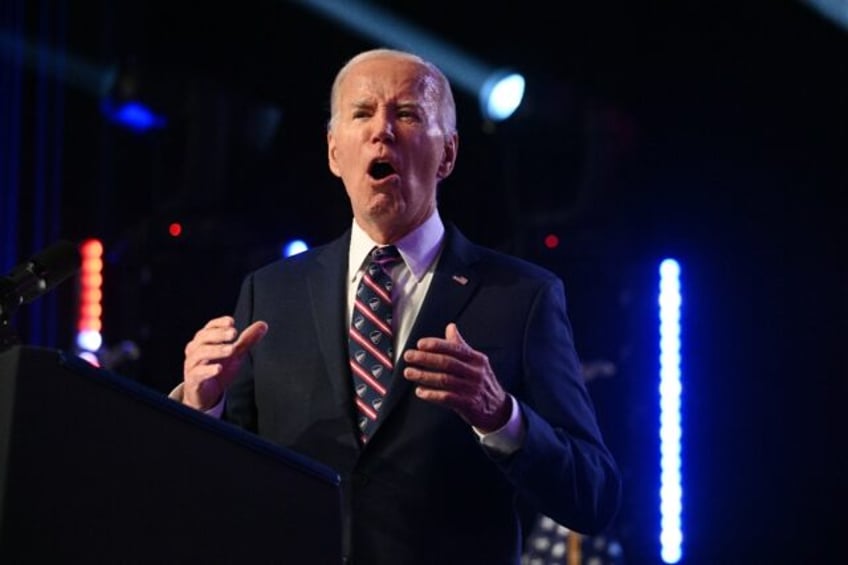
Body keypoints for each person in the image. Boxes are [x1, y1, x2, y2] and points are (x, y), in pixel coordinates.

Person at [172, 47, 621, 564]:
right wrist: (202, 408)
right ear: (334, 152)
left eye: (406, 114)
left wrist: (501, 416)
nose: (381, 130)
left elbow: (594, 495)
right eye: (361, 113)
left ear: (448, 154)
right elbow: (214, 492)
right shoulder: (270, 292)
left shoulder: (521, 297)